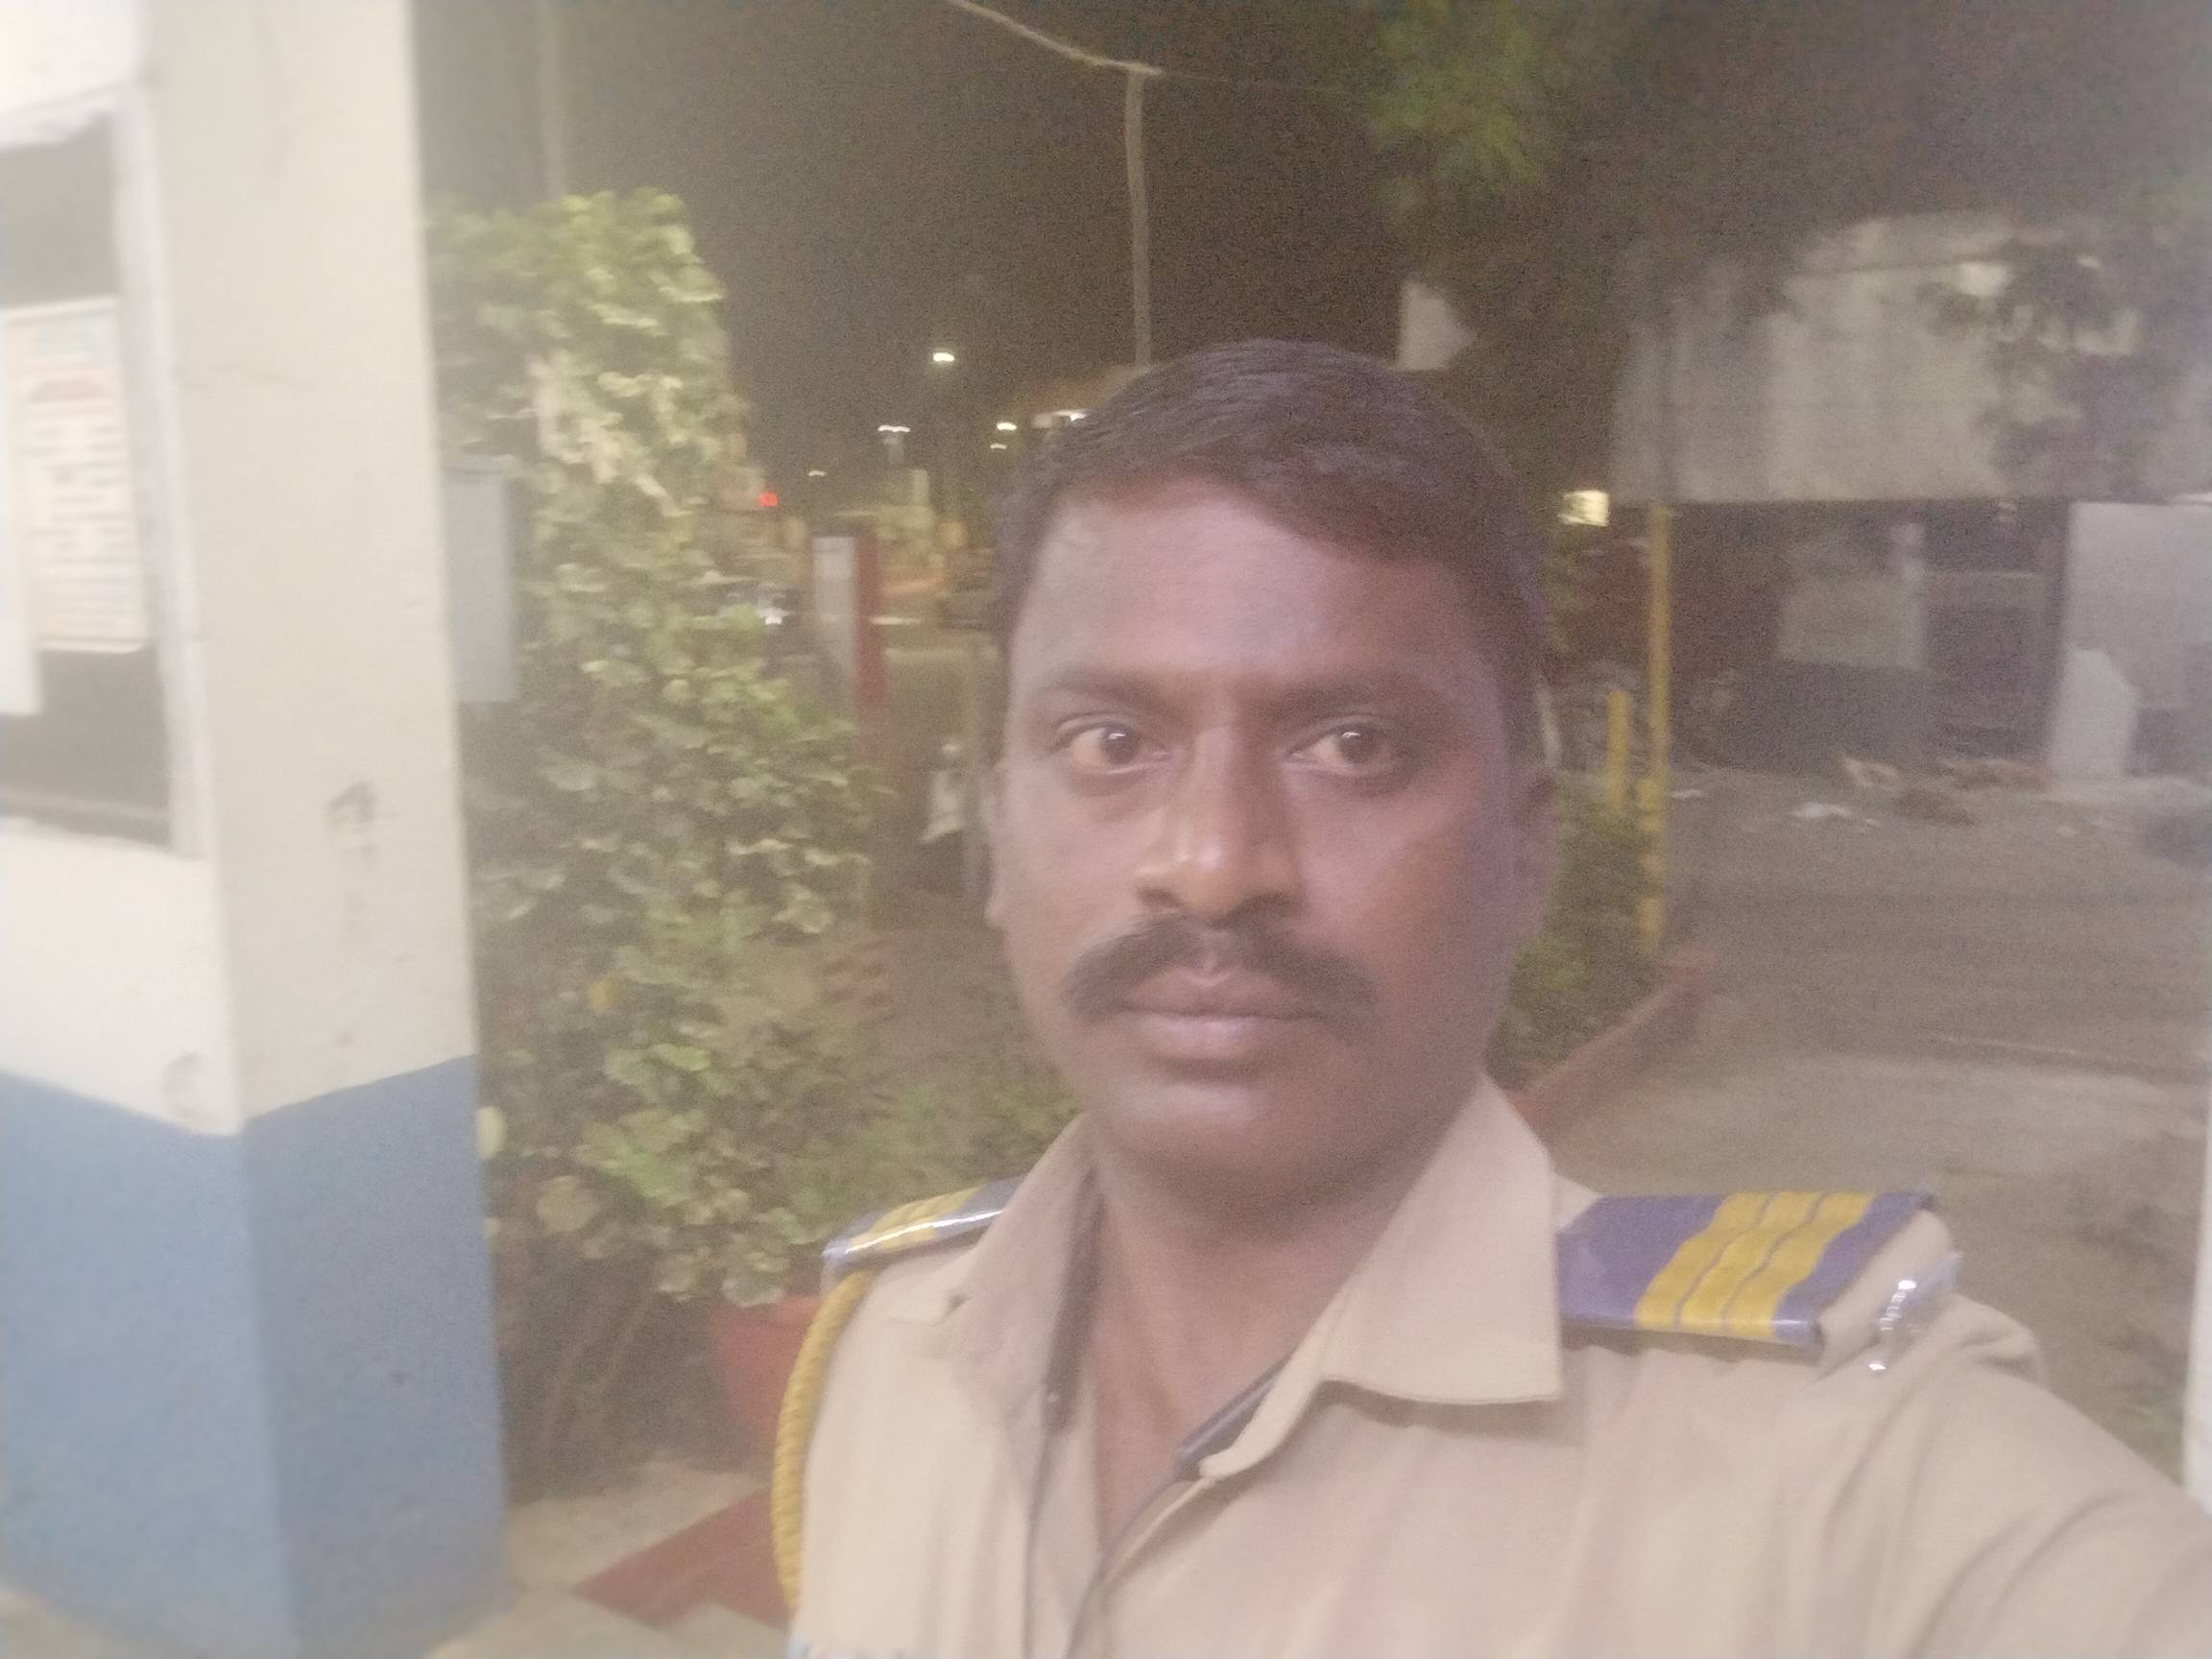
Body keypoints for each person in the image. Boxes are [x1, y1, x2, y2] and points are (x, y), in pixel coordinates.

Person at [779, 340, 2212, 1659]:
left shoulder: (1846, 1483)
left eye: (1353, 745)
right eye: (1110, 742)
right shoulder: (883, 1364)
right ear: (994, 834)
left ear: (1527, 850)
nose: (1212, 867)